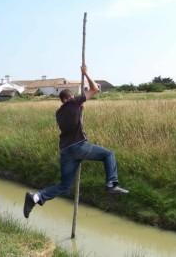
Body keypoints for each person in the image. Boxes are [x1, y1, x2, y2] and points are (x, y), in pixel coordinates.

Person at [23, 65, 129, 219]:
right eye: (72, 97)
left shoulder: (59, 113)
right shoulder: (73, 103)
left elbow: (72, 121)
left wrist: (80, 111)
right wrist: (86, 74)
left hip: (66, 152)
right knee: (108, 155)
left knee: (64, 185)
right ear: (70, 97)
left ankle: (36, 197)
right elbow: (94, 89)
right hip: (78, 147)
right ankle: (111, 184)